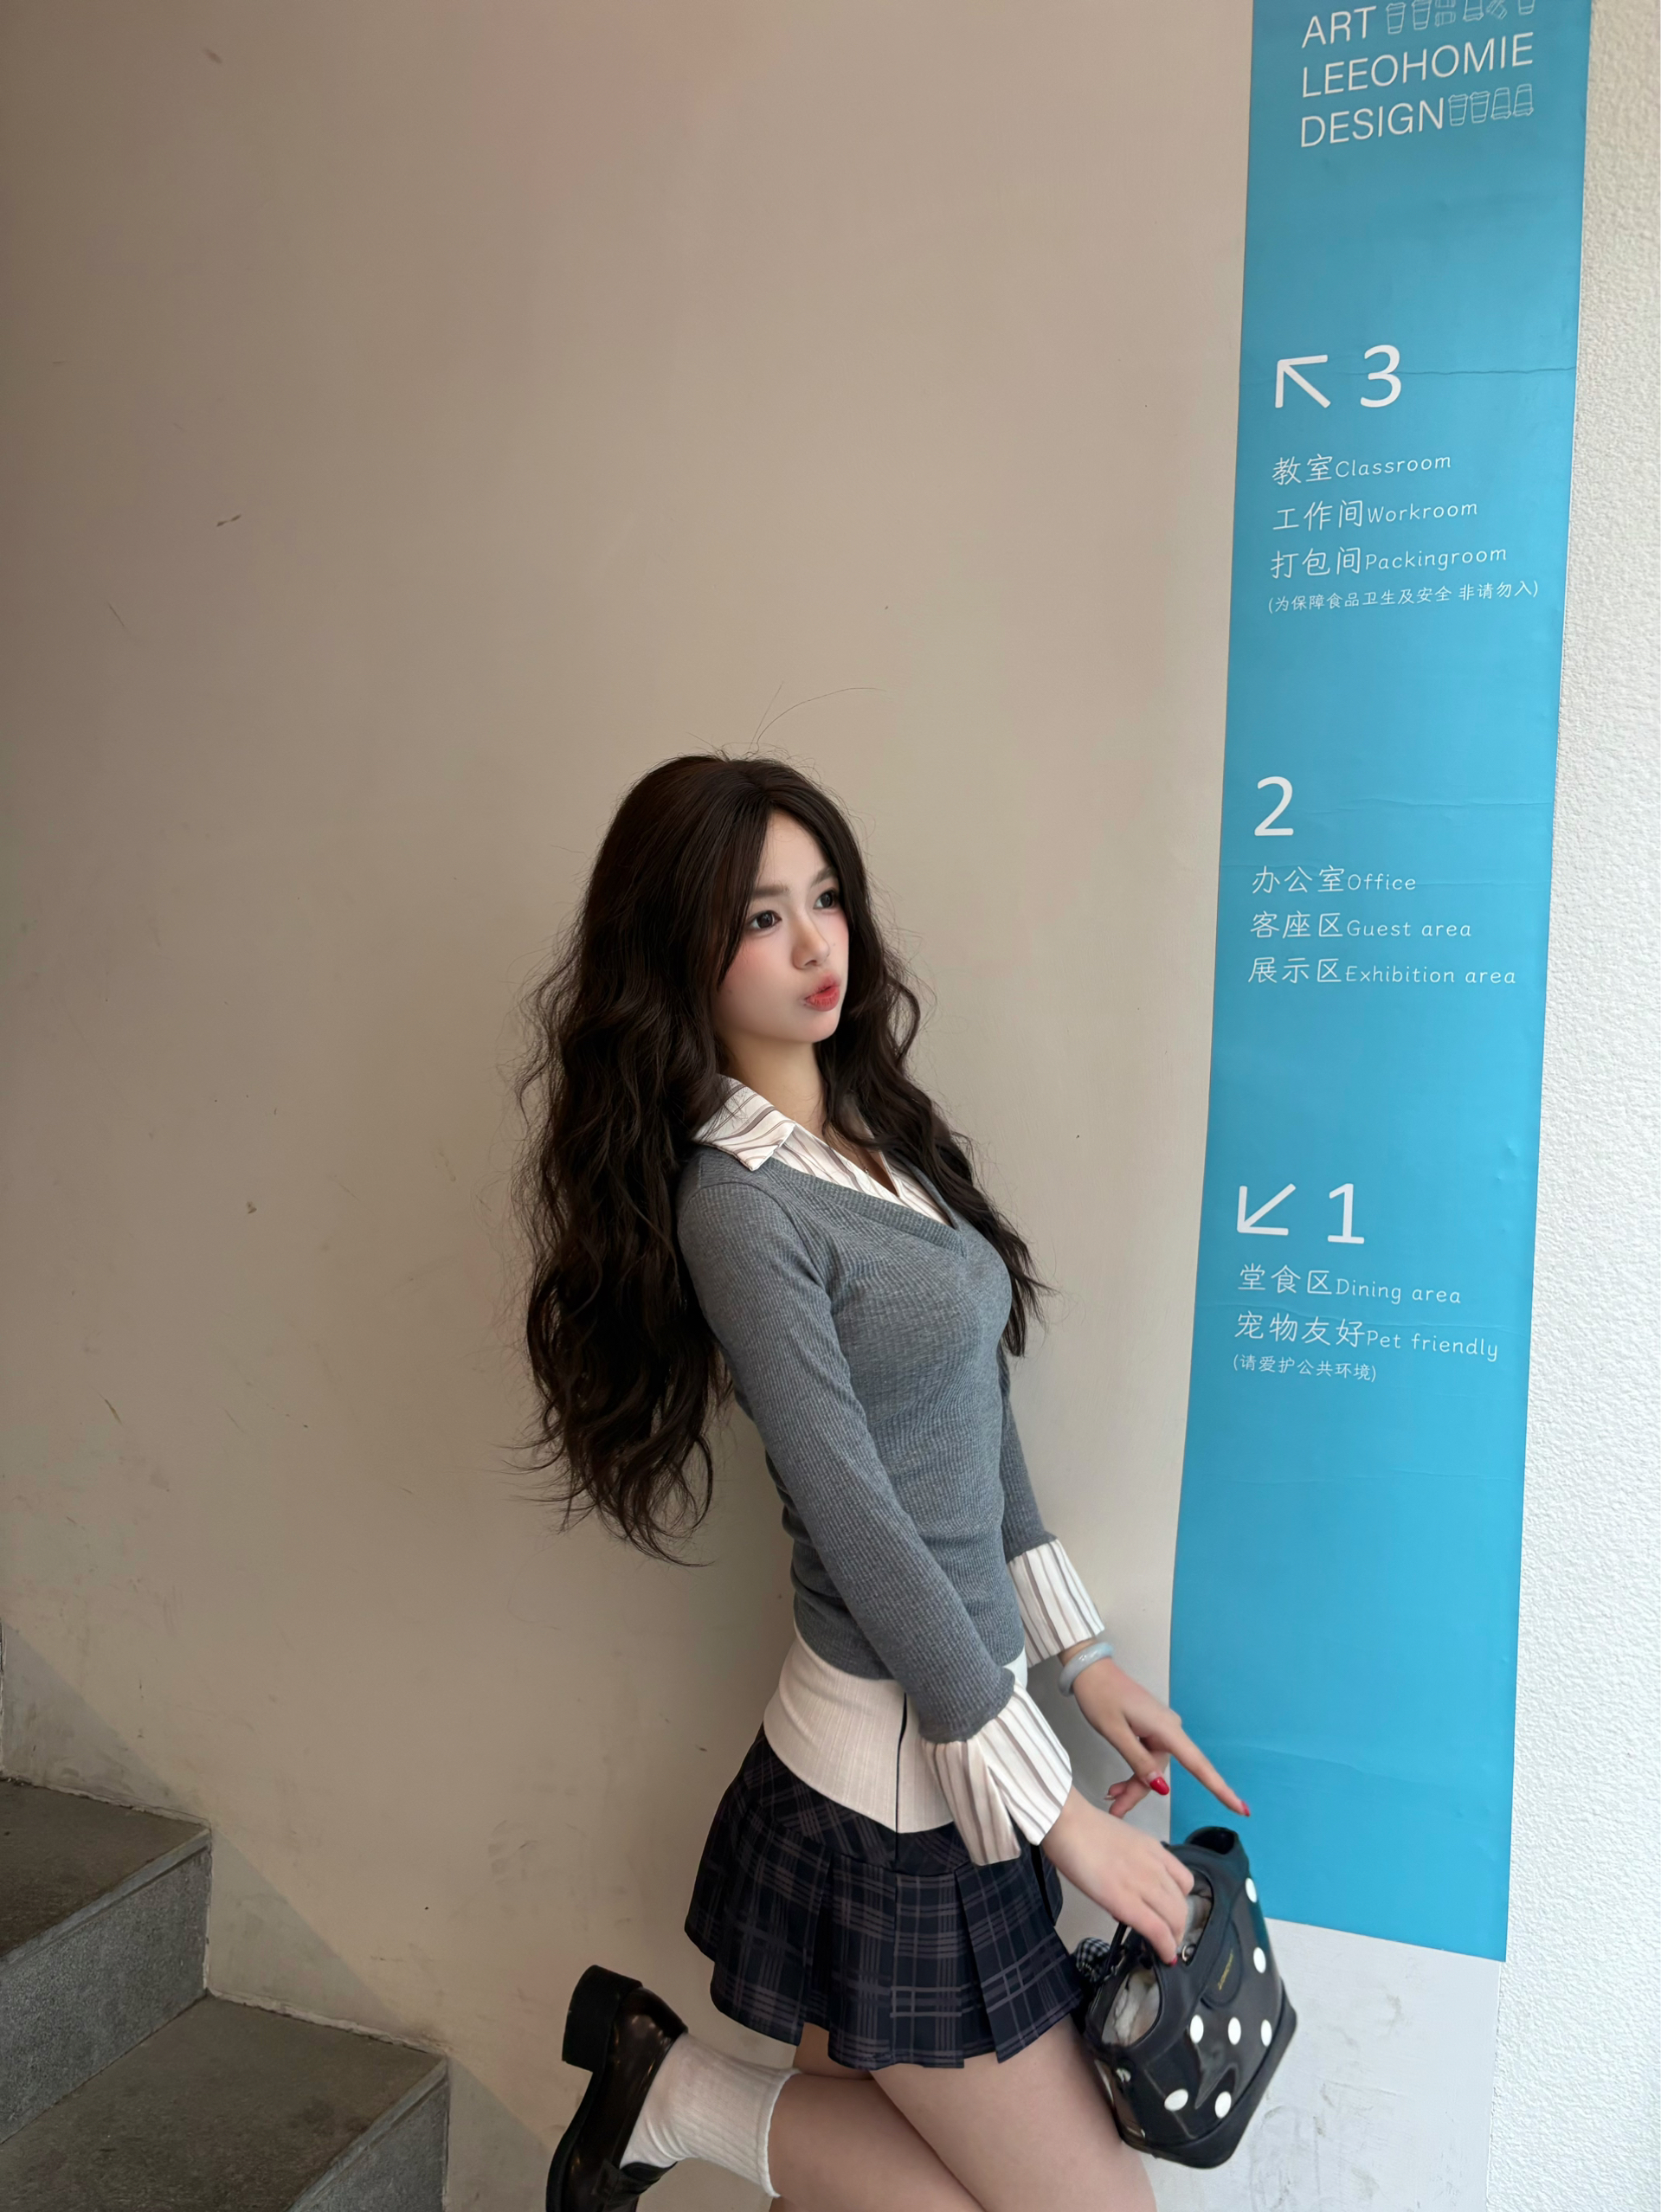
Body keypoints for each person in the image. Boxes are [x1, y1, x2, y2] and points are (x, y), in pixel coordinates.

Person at [517, 755, 1247, 2212]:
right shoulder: (739, 1208)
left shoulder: (878, 1138)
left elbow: (970, 1410)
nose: (814, 944)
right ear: (682, 957)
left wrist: (1083, 1656)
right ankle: (671, 2092)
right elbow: (864, 1525)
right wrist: (1065, 1822)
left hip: (964, 1747)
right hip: (890, 1792)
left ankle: (663, 2086)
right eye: (760, 918)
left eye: (826, 899)